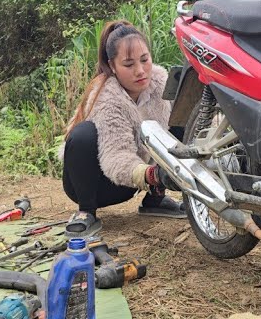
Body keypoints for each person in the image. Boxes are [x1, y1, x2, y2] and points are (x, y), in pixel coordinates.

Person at [61, 20, 184, 235]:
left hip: (135, 181)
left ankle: (155, 199)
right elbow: (115, 156)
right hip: (95, 182)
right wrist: (153, 174)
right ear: (112, 66)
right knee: (83, 135)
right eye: (128, 65)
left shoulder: (161, 83)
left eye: (144, 60)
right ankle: (86, 212)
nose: (140, 71)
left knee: (181, 116)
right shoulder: (106, 96)